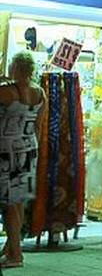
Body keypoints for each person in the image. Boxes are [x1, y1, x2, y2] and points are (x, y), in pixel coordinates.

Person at [0, 52, 45, 269]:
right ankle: (11, 248)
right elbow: (39, 126)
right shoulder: (40, 92)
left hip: (7, 150)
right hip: (29, 148)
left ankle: (15, 254)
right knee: (17, 202)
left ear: (16, 67)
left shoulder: (8, 91)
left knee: (8, 204)